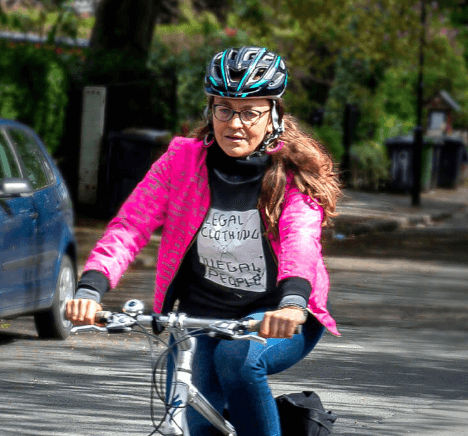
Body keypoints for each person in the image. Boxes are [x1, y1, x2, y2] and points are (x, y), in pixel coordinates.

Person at [66, 46, 341, 436]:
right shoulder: (180, 163)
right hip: (199, 315)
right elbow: (131, 226)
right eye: (224, 109)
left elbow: (301, 240)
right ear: (210, 110)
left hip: (278, 312)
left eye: (250, 112)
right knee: (198, 424)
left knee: (238, 360)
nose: (235, 123)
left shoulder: (290, 173)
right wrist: (90, 288)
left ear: (273, 115)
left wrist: (294, 303)